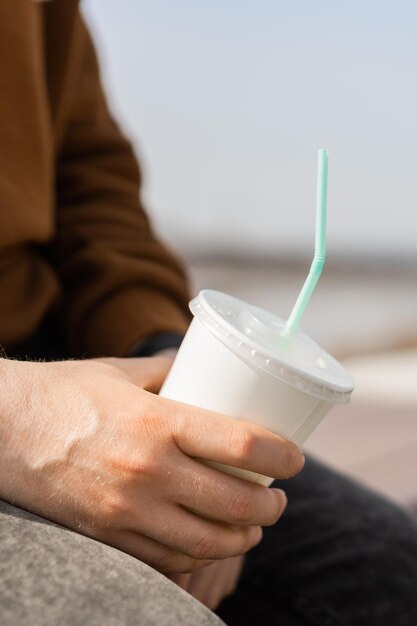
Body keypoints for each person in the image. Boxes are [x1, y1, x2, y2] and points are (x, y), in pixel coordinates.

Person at [1, 2, 416, 625]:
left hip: (72, 351)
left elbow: (92, 187)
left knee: (392, 570)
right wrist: (18, 417)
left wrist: (180, 380)